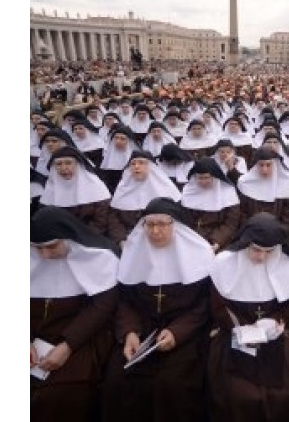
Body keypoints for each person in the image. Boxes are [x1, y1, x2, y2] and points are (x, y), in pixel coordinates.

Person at [101, 198, 214, 422]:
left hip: (185, 335)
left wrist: (177, 332)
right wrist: (130, 332)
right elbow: (124, 301)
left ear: (176, 226)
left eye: (163, 224)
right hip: (141, 331)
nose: (155, 231)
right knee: (118, 380)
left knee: (172, 386)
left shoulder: (199, 257)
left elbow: (203, 305)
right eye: (149, 224)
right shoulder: (133, 256)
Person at [207, 213, 289, 421]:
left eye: (268, 251)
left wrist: (276, 320)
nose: (261, 257)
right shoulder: (224, 264)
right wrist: (239, 328)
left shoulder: (287, 264)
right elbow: (218, 308)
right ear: (245, 244)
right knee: (240, 394)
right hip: (235, 332)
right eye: (255, 249)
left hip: (278, 331)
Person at [31, 206, 119, 422]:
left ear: (68, 239)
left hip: (80, 337)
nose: (44, 255)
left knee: (61, 394)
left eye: (51, 247)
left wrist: (66, 346)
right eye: (37, 248)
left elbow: (101, 309)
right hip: (34, 337)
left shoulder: (100, 260)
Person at [107, 150, 182, 248]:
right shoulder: (122, 190)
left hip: (162, 240)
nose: (136, 167)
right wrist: (121, 240)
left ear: (151, 167)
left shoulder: (167, 191)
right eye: (133, 164)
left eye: (141, 163)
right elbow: (114, 221)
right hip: (129, 241)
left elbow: (176, 223)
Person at [40, 146, 111, 235]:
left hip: (91, 237)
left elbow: (101, 222)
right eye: (58, 164)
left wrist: (81, 237)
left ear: (78, 165)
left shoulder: (96, 188)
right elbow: (47, 221)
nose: (63, 168)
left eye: (68, 163)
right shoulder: (50, 190)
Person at [180, 157, 241, 252]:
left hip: (219, 240)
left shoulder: (228, 193)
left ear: (215, 176)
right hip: (191, 238)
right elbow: (183, 220)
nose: (203, 182)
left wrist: (217, 242)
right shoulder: (188, 192)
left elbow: (231, 224)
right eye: (200, 178)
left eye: (207, 178)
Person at [235, 148, 289, 236]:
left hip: (277, 234)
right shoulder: (245, 183)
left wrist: (278, 233)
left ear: (276, 165)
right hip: (250, 233)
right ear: (256, 166)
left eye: (268, 165)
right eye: (261, 165)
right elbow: (242, 214)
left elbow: (288, 218)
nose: (264, 169)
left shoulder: (286, 184)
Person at [100, 125, 141, 194]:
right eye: (116, 138)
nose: (118, 141)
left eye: (122, 139)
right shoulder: (107, 161)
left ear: (129, 141)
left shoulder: (138, 160)